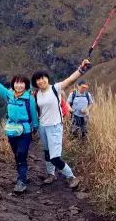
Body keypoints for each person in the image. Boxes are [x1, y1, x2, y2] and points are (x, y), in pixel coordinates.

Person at [31, 58, 91, 189]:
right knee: (47, 153)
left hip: (55, 127)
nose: (41, 81)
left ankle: (71, 177)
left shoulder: (55, 88)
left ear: (47, 78)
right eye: (38, 80)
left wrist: (81, 69)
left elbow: (70, 80)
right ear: (36, 83)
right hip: (43, 127)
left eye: (43, 78)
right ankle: (50, 174)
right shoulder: (36, 94)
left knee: (55, 157)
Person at [0, 67, 39, 193]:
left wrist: (35, 128)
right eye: (16, 82)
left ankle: (21, 181)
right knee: (17, 154)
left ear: (25, 85)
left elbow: (34, 115)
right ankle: (21, 176)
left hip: (25, 131)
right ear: (13, 84)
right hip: (11, 130)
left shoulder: (30, 99)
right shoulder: (9, 95)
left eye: (21, 83)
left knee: (22, 154)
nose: (19, 85)